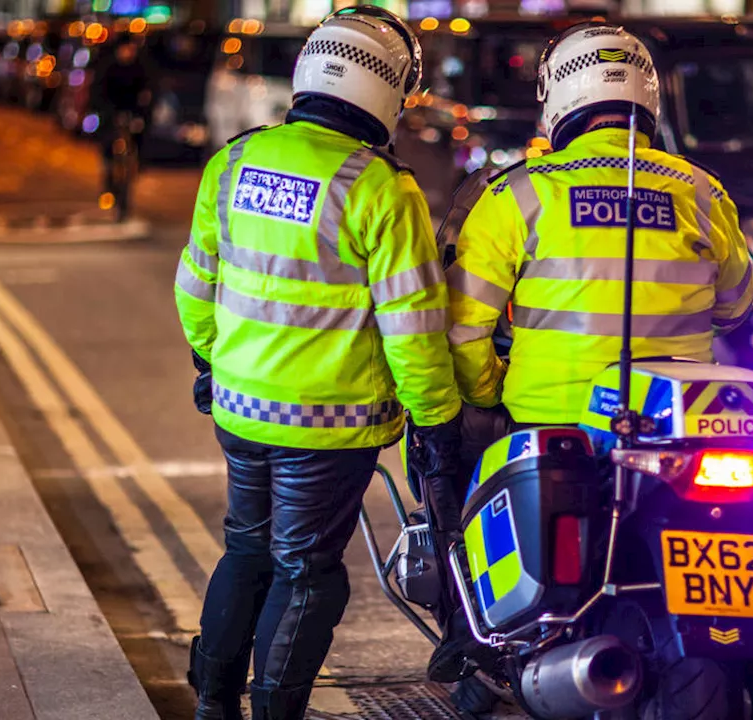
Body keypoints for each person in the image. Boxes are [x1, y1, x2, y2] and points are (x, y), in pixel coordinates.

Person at [428, 21, 753, 682]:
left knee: (449, 471)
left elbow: (463, 329)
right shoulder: (701, 190)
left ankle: (471, 637)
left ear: (557, 100)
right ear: (649, 98)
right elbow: (736, 304)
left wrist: (490, 389)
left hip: (552, 421)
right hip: (677, 425)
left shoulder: (520, 191)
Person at [173, 7, 462, 720]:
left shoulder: (234, 162)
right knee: (306, 574)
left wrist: (210, 363)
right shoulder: (381, 189)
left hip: (242, 411)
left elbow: (194, 286)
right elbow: (415, 331)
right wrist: (438, 420)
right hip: (328, 431)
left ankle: (213, 700)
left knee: (246, 552)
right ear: (388, 92)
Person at [89, 32, 156, 219]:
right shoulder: (108, 67)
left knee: (139, 139)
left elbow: (148, 92)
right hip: (111, 113)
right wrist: (108, 113)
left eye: (131, 49)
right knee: (108, 146)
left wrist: (141, 114)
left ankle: (139, 165)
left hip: (132, 112)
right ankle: (108, 180)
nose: (128, 53)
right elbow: (98, 94)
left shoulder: (141, 67)